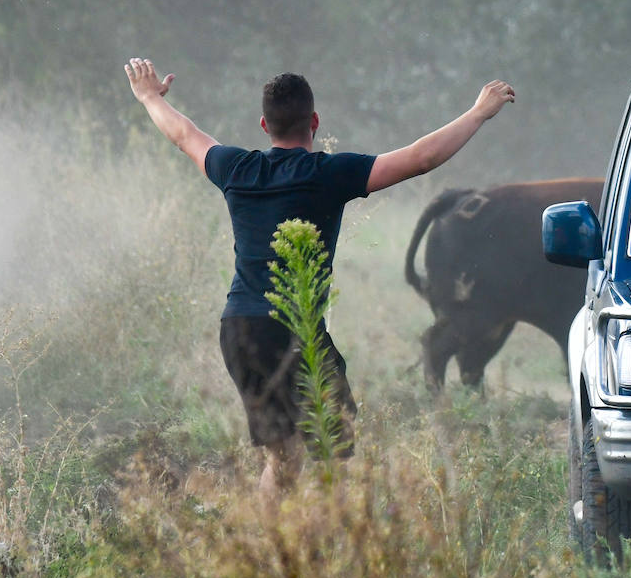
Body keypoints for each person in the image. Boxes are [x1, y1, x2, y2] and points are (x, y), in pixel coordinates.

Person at [124, 58, 515, 503]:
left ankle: (282, 552)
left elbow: (181, 134)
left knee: (284, 458)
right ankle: (323, 544)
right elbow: (421, 159)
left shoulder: (237, 169)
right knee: (335, 449)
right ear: (314, 122)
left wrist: (149, 97)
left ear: (263, 124)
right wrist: (478, 112)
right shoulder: (328, 173)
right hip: (294, 329)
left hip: (239, 329)